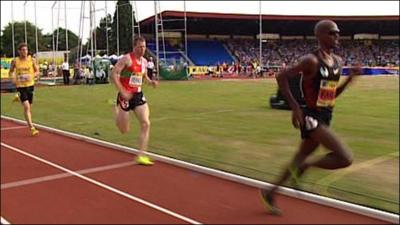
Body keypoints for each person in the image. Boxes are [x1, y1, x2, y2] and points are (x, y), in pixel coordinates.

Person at [260, 20, 362, 214]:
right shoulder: (311, 61)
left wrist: (349, 80)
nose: (337, 36)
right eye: (332, 33)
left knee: (298, 157)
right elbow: (282, 77)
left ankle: (269, 192)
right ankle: (306, 167)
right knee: (344, 158)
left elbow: (330, 95)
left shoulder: (338, 62)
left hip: (326, 115)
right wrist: (295, 108)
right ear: (320, 35)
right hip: (310, 117)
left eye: (338, 33)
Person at [111, 36, 159, 166]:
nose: (142, 49)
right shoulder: (126, 59)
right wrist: (122, 91)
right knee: (124, 130)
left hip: (137, 95)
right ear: (134, 47)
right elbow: (114, 74)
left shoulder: (144, 61)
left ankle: (141, 155)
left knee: (146, 123)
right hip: (124, 96)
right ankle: (115, 111)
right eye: (140, 47)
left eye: (144, 47)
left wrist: (151, 82)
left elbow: (143, 76)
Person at [9, 43, 40, 136]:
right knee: (26, 106)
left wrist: (32, 76)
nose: (25, 52)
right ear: (19, 51)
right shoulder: (15, 61)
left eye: (26, 50)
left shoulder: (32, 60)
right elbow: (10, 72)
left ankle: (18, 97)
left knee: (29, 107)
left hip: (30, 85)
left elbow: (37, 71)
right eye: (23, 50)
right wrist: (13, 78)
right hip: (20, 86)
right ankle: (32, 128)